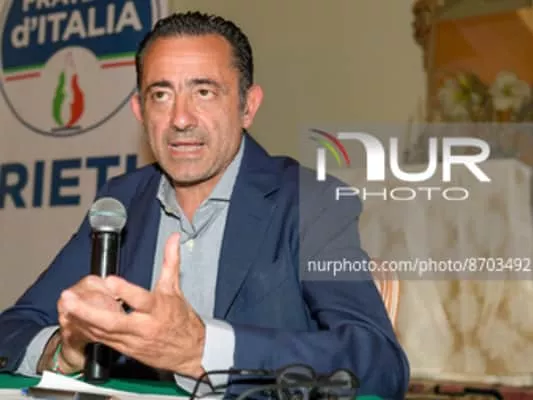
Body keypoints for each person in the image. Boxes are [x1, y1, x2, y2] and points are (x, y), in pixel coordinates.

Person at [0, 11, 409, 399]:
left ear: (248, 106)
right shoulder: (121, 200)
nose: (181, 118)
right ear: (140, 111)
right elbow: (13, 328)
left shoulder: (309, 201)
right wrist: (65, 350)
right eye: (161, 94)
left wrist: (202, 350)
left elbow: (379, 363)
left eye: (204, 92)